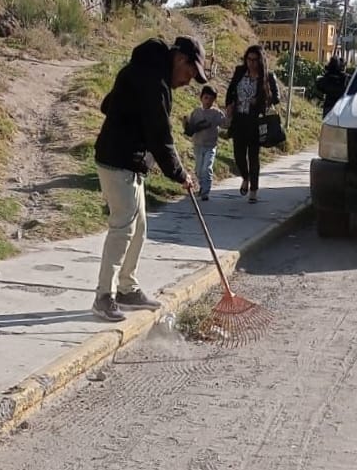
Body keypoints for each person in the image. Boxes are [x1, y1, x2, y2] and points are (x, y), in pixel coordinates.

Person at [91, 36, 204, 322]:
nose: (189, 81)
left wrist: (129, 119)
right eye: (190, 73)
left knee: (139, 226)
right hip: (119, 161)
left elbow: (108, 105)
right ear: (180, 60)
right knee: (123, 228)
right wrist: (180, 174)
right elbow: (161, 138)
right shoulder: (155, 83)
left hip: (128, 160)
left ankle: (127, 288)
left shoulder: (139, 70)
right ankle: (104, 296)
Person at [225, 44, 280, 205]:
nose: (252, 63)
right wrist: (229, 104)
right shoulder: (240, 72)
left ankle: (254, 190)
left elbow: (275, 98)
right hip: (239, 119)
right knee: (238, 155)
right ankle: (245, 177)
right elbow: (230, 90)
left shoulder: (267, 77)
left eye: (255, 60)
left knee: (253, 156)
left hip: (255, 120)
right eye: (249, 59)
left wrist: (261, 100)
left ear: (260, 61)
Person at [183, 85, 231, 201]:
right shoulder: (196, 112)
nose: (208, 101)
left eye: (211, 99)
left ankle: (205, 192)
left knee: (207, 168)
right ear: (201, 98)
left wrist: (229, 115)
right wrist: (186, 123)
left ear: (214, 100)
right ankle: (202, 186)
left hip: (210, 146)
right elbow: (190, 127)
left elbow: (225, 124)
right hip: (198, 145)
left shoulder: (216, 113)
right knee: (199, 170)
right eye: (206, 98)